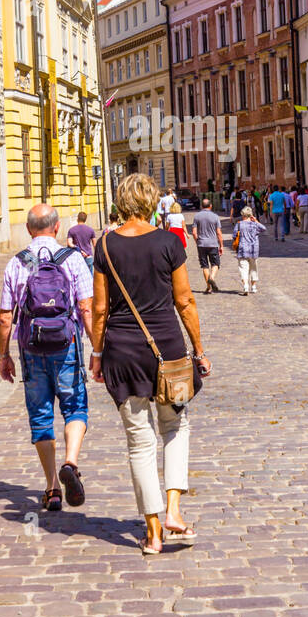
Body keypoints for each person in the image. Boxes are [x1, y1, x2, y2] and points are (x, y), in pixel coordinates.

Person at [90, 173, 211, 555]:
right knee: (175, 425)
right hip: (168, 349)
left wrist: (95, 354)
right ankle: (174, 509)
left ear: (121, 201)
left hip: (122, 351)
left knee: (139, 441)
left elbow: (98, 308)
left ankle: (154, 531)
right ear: (151, 201)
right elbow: (185, 301)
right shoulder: (168, 242)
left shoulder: (105, 245)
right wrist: (200, 349)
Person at [0, 205, 94, 513]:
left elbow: (4, 317)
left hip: (31, 348)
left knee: (40, 415)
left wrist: (4, 355)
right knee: (75, 406)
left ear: (28, 229)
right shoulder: (74, 259)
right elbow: (87, 308)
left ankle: (52, 487)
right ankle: (71, 462)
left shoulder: (17, 263)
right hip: (67, 345)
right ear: (56, 229)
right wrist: (98, 349)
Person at [190, 196, 224, 293]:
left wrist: (197, 241)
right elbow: (219, 233)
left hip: (201, 244)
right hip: (213, 244)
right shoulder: (215, 217)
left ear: (202, 206)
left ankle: (208, 287)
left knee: (204, 266)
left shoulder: (197, 216)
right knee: (215, 263)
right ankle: (212, 277)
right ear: (211, 206)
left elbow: (194, 232)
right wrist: (221, 245)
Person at [233, 206, 266, 296]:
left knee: (243, 269)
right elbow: (263, 228)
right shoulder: (254, 224)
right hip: (253, 250)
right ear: (251, 214)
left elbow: (234, 236)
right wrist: (256, 221)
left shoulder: (239, 224)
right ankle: (254, 287)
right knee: (253, 269)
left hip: (242, 249)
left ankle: (246, 286)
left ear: (242, 214)